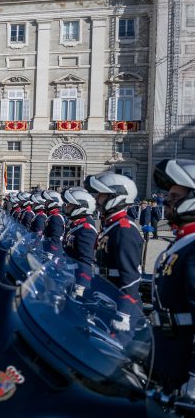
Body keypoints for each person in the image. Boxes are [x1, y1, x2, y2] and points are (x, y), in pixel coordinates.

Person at [150, 159, 195, 394]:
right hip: (169, 351)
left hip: (183, 361)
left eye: (175, 197)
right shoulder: (182, 242)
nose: (166, 200)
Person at [84, 171, 143, 332]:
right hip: (105, 299)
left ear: (116, 197)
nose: (96, 199)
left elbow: (130, 277)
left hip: (119, 306)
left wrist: (123, 313)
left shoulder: (124, 230)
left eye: (102, 195)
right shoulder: (110, 226)